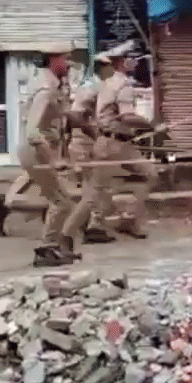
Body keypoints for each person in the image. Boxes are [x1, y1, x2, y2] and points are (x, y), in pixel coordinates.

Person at [7, 43, 81, 267]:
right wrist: (53, 159)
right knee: (62, 202)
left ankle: (54, 248)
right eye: (65, 59)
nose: (68, 64)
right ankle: (46, 250)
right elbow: (33, 132)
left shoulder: (54, 86)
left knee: (61, 201)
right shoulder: (46, 89)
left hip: (42, 150)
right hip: (36, 151)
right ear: (53, 60)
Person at [93, 42, 165, 239]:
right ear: (122, 62)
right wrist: (151, 126)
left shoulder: (106, 82)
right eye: (130, 58)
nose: (134, 62)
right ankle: (128, 217)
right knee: (150, 174)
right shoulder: (123, 84)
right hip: (116, 143)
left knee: (101, 186)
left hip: (104, 140)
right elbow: (127, 116)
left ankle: (97, 224)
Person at [61, 49, 120, 245]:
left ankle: (90, 227)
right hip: (85, 145)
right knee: (93, 190)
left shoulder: (98, 86)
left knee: (95, 189)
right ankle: (75, 231)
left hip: (85, 143)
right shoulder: (92, 87)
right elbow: (75, 115)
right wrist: (94, 133)